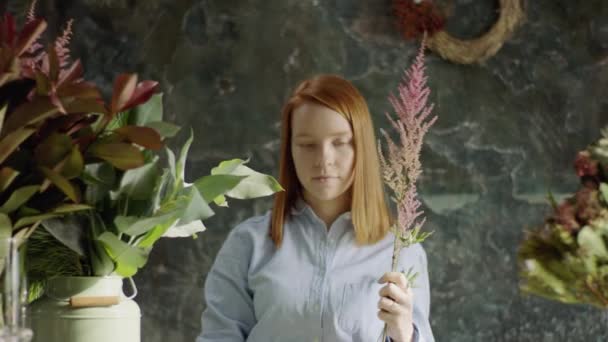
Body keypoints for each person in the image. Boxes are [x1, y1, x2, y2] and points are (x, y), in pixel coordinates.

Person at [196, 75, 434, 342]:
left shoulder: (401, 250)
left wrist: (405, 335)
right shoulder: (248, 245)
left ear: (362, 148)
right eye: (308, 145)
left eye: (340, 143)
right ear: (290, 151)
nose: (324, 160)